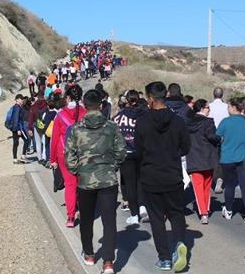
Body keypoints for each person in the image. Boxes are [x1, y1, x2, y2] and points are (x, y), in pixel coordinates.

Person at [65, 89, 126, 274]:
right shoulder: (111, 127)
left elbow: (69, 156)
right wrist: (111, 167)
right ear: (101, 105)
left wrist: (78, 170)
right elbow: (121, 152)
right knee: (109, 221)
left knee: (86, 219)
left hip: (85, 181)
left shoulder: (76, 129)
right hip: (107, 180)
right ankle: (108, 262)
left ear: (84, 105)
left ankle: (89, 254)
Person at [135, 81, 191, 272]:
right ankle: (180, 244)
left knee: (157, 219)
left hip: (151, 177)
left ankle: (165, 259)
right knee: (176, 214)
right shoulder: (178, 121)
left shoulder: (142, 122)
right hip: (173, 175)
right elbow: (186, 147)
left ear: (150, 98)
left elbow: (138, 150)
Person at [49, 84, 87, 228]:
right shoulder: (85, 113)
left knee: (70, 185)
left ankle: (70, 217)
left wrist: (52, 159)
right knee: (83, 185)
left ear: (68, 97)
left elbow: (54, 138)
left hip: (64, 154)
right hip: (83, 155)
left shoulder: (60, 115)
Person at [216, 96, 245, 225]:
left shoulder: (225, 122)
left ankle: (228, 210)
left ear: (233, 108)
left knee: (229, 185)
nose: (227, 108)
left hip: (227, 158)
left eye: (228, 106)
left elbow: (218, 137)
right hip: (244, 158)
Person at [113, 90, 148, 225]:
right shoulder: (145, 116)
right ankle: (142, 206)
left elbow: (114, 135)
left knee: (130, 184)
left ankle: (134, 214)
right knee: (141, 181)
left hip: (126, 153)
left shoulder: (118, 117)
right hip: (141, 152)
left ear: (127, 100)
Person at [186, 99, 221, 224]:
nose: (209, 110)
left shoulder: (188, 122)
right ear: (202, 108)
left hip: (194, 157)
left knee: (198, 188)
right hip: (208, 157)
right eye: (207, 108)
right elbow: (211, 136)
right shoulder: (209, 122)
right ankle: (206, 209)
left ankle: (203, 213)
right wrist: (220, 139)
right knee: (207, 187)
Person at [209, 87, 229, 194]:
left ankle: (213, 177)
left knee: (213, 157)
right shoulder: (227, 107)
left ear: (213, 95)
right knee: (221, 157)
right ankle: (220, 177)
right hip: (224, 136)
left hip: (212, 135)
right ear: (222, 95)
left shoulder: (209, 106)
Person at [7, 94, 28, 164]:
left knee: (15, 143)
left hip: (14, 128)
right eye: (21, 99)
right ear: (18, 100)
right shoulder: (17, 108)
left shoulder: (14, 107)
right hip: (18, 127)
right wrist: (18, 129)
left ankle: (15, 159)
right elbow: (16, 119)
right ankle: (23, 157)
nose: (22, 101)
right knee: (27, 140)